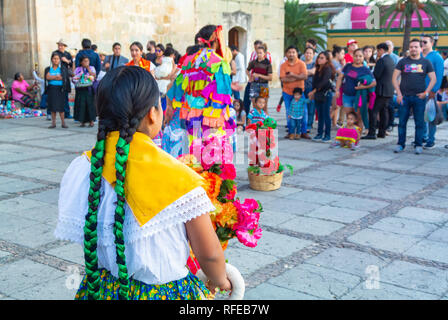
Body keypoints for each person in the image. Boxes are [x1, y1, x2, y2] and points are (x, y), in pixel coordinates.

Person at [54, 66, 231, 300]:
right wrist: (221, 281)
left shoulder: (82, 167)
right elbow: (209, 255)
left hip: (103, 290)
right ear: (152, 113)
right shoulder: (178, 177)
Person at [164, 25, 234, 158]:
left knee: (193, 154)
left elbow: (175, 89)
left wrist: (169, 107)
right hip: (211, 117)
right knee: (212, 157)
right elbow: (222, 96)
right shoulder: (219, 63)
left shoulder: (188, 61)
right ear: (216, 39)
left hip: (191, 116)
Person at [392, 38, 437, 154]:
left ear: (421, 49)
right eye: (411, 47)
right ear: (409, 49)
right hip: (404, 97)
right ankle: (400, 144)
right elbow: (394, 78)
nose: (413, 49)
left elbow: (433, 79)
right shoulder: (402, 62)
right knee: (402, 122)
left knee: (419, 123)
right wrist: (398, 93)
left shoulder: (426, 62)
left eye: (416, 47)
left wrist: (426, 92)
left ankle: (418, 145)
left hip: (419, 98)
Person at [335, 49, 376, 132]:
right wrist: (337, 90)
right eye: (356, 56)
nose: (358, 58)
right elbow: (340, 78)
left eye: (360, 56)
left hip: (359, 97)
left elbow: (374, 83)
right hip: (347, 96)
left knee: (358, 117)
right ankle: (350, 135)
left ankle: (357, 137)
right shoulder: (348, 66)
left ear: (363, 57)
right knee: (349, 117)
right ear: (353, 56)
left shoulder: (365, 69)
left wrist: (362, 87)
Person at [363, 42, 395, 140]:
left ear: (381, 50)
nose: (377, 53)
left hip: (380, 90)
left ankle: (372, 133)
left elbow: (376, 75)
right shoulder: (391, 60)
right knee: (384, 111)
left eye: (377, 51)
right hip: (389, 90)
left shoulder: (382, 60)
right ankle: (382, 132)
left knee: (373, 110)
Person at [280, 46, 309, 139]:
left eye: (293, 52)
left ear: (297, 53)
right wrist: (297, 77)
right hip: (287, 92)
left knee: (304, 112)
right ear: (286, 54)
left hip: (300, 93)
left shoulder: (301, 64)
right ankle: (291, 132)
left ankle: (303, 132)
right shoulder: (283, 65)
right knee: (289, 112)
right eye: (289, 52)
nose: (291, 54)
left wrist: (292, 76)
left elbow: (304, 76)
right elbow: (283, 79)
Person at [421, 34, 445, 149]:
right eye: (421, 42)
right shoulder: (418, 55)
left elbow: (439, 75)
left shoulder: (436, 57)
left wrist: (434, 91)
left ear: (431, 43)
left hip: (430, 91)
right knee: (420, 116)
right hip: (418, 91)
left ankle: (431, 140)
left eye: (425, 42)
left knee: (431, 116)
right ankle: (423, 137)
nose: (422, 44)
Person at [309, 51, 335, 142]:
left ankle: (327, 135)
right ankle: (319, 133)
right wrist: (314, 92)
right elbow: (315, 82)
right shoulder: (318, 68)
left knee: (326, 115)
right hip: (318, 94)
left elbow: (324, 82)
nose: (319, 59)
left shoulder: (327, 68)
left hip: (326, 94)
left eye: (322, 58)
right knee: (320, 115)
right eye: (319, 57)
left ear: (327, 59)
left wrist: (313, 91)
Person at [45, 53, 69, 129]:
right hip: (52, 89)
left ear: (59, 60)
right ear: (52, 59)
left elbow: (62, 78)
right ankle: (53, 123)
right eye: (54, 58)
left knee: (61, 107)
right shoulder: (48, 69)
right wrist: (56, 76)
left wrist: (52, 77)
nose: (56, 60)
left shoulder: (62, 68)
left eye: (57, 59)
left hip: (60, 89)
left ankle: (63, 123)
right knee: (53, 107)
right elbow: (47, 77)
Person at [246, 45, 273, 114]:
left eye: (260, 53)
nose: (259, 54)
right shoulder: (253, 62)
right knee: (255, 106)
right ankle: (256, 121)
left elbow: (270, 78)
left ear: (264, 53)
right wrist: (250, 77)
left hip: (264, 85)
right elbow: (247, 70)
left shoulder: (268, 64)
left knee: (264, 106)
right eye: (257, 53)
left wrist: (259, 75)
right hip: (254, 85)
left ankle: (265, 122)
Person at [73, 56, 97, 127]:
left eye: (87, 61)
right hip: (81, 89)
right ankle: (82, 121)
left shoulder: (92, 68)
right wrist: (78, 76)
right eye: (84, 61)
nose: (86, 62)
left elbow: (93, 75)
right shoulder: (78, 69)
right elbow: (74, 76)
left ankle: (91, 121)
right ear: (81, 62)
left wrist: (88, 68)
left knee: (90, 105)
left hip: (89, 89)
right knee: (81, 105)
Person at [53, 39, 74, 118]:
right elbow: (52, 63)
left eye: (62, 45)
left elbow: (71, 64)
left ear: (65, 46)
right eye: (59, 45)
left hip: (65, 76)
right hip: (56, 75)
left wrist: (67, 61)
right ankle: (51, 113)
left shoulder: (67, 54)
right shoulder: (55, 53)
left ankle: (67, 113)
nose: (60, 47)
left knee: (65, 96)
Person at [331, 45, 346, 127]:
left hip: (337, 86)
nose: (344, 55)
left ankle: (333, 123)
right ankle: (328, 123)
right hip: (334, 86)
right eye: (342, 53)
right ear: (337, 54)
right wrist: (344, 65)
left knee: (336, 106)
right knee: (335, 106)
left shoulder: (337, 62)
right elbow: (341, 73)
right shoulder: (334, 62)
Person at [303, 47, 316, 130]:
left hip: (311, 87)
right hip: (301, 88)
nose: (308, 54)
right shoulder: (301, 63)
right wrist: (308, 72)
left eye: (310, 53)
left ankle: (309, 124)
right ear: (304, 54)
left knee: (311, 108)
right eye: (307, 53)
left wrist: (303, 72)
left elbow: (313, 71)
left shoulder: (315, 64)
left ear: (313, 55)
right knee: (302, 107)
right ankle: (303, 124)